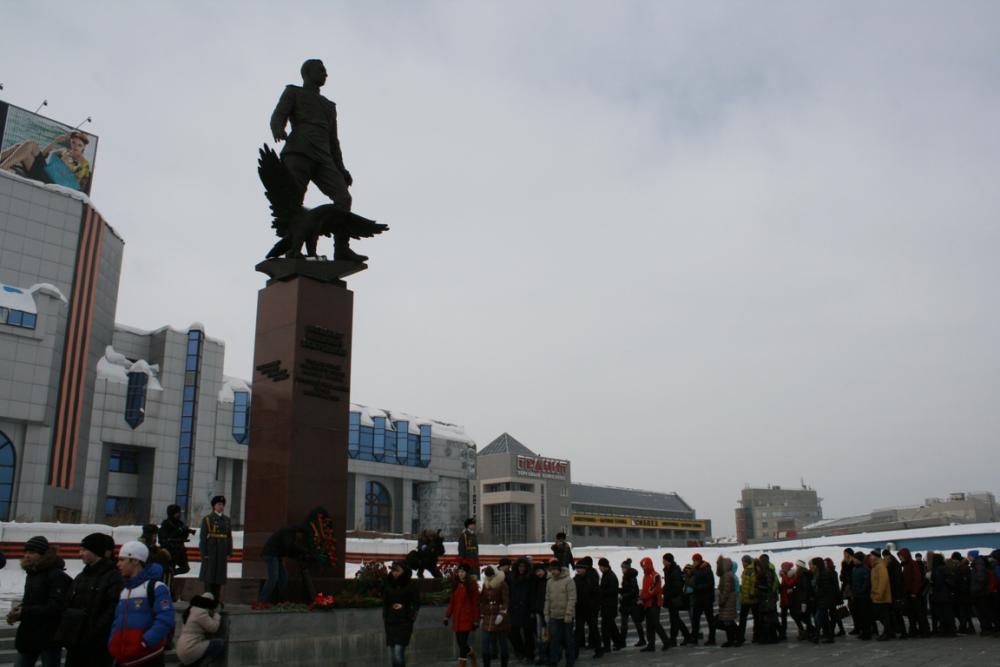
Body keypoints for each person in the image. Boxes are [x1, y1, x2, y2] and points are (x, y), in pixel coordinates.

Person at [269, 58, 366, 261]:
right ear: (307, 73)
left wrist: (341, 168)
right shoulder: (293, 92)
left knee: (344, 198)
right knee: (293, 201)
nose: (325, 74)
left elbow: (333, 140)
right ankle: (293, 248)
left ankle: (342, 248)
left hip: (324, 157)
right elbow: (279, 115)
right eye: (321, 70)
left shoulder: (329, 106)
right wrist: (278, 128)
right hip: (299, 150)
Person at [6, 536, 71, 667]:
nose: (27, 555)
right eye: (26, 552)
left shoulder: (56, 575)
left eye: (31, 552)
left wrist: (24, 611)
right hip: (29, 633)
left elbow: (56, 607)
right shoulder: (32, 573)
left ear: (43, 554)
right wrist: (18, 612)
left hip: (49, 635)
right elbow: (32, 600)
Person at [109, 541, 175, 667]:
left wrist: (145, 642)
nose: (118, 564)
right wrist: (113, 642)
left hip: (148, 657)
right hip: (125, 658)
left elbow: (166, 619)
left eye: (122, 560)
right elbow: (117, 621)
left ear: (135, 561)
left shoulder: (156, 587)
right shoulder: (124, 591)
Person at [63, 533, 122, 667]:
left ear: (96, 551)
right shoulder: (81, 577)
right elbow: (68, 603)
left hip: (98, 645)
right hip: (76, 641)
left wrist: (94, 629)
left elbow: (113, 607)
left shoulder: (113, 576)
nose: (80, 553)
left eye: (84, 550)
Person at [0, 131, 92, 191]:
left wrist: (66, 166)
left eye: (79, 145)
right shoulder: (64, 151)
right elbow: (43, 155)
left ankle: (2, 169)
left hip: (50, 181)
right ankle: (2, 167)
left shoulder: (84, 164)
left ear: (84, 147)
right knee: (25, 145)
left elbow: (77, 184)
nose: (75, 147)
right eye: (73, 142)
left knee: (27, 148)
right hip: (44, 170)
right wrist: (55, 141)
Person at [259, 524, 310, 603]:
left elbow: (287, 550)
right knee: (273, 578)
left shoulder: (290, 534)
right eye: (302, 536)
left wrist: (298, 556)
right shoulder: (288, 532)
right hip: (271, 555)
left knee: (283, 577)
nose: (301, 538)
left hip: (276, 556)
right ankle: (261, 601)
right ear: (299, 532)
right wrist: (303, 550)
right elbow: (288, 547)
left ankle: (283, 601)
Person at [383, 561, 420, 667]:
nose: (394, 573)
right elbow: (385, 602)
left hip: (404, 623)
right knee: (393, 655)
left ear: (404, 571)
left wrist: (406, 610)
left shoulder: (410, 585)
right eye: (393, 570)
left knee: (398, 653)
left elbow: (416, 603)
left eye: (397, 570)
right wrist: (386, 614)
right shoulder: (388, 584)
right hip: (391, 622)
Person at [445, 563, 481, 667]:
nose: (460, 574)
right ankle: (472, 654)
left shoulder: (472, 585)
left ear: (467, 573)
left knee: (462, 643)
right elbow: (452, 602)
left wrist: (476, 620)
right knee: (461, 643)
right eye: (459, 571)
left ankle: (462, 665)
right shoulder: (456, 584)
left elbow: (475, 603)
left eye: (463, 572)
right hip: (457, 618)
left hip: (467, 618)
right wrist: (447, 616)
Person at [176, 592, 224, 666]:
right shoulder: (201, 613)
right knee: (218, 644)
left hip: (182, 647)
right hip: (189, 648)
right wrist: (217, 613)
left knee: (204, 647)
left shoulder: (191, 610)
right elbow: (214, 628)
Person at [543, 559, 576, 667]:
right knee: (554, 640)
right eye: (551, 570)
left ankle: (570, 661)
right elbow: (547, 599)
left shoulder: (568, 581)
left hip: (566, 617)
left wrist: (568, 614)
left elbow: (572, 598)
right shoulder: (549, 582)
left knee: (568, 640)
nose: (552, 572)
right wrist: (546, 613)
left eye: (554, 569)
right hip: (554, 616)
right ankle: (554, 661)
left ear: (559, 569)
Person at [199, 496, 233, 598]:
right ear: (214, 506)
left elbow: (229, 537)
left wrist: (229, 551)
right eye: (219, 504)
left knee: (219, 576)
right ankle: (208, 598)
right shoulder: (208, 519)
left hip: (222, 550)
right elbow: (203, 538)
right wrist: (204, 553)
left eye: (222, 505)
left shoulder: (226, 520)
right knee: (209, 576)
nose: (221, 506)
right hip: (211, 550)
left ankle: (216, 599)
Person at [480, 566, 511, 667]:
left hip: (499, 617)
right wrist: (482, 614)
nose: (489, 578)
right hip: (488, 617)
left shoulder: (502, 584)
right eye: (487, 576)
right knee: (485, 642)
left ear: (495, 575)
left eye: (491, 576)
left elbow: (506, 601)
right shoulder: (485, 585)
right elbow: (483, 600)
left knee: (503, 643)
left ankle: (504, 664)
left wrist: (502, 614)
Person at [638, 556, 669, 652]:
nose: (643, 568)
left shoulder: (655, 576)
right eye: (642, 567)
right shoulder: (646, 576)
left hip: (654, 603)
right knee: (649, 625)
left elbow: (653, 591)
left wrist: (642, 597)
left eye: (644, 566)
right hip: (648, 604)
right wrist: (641, 596)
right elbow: (645, 589)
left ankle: (666, 642)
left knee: (656, 624)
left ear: (649, 565)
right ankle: (651, 645)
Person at [572, 558, 601, 658]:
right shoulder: (576, 579)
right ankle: (574, 653)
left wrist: (593, 605)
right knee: (578, 631)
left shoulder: (592, 578)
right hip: (580, 609)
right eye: (577, 568)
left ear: (585, 569)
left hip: (590, 609)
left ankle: (598, 650)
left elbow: (596, 594)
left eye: (580, 568)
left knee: (593, 629)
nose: (578, 570)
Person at [507, 558, 535, 661]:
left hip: (527, 609)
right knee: (513, 632)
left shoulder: (531, 578)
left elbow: (533, 594)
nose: (521, 568)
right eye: (520, 566)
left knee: (528, 634)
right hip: (514, 609)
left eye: (523, 566)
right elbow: (509, 593)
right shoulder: (512, 578)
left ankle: (529, 654)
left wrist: (532, 609)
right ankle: (520, 651)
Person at [660, 554, 691, 646]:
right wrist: (663, 590)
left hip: (674, 598)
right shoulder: (668, 569)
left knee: (674, 619)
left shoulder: (674, 570)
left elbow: (677, 586)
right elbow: (668, 583)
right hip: (671, 598)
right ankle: (687, 636)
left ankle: (673, 639)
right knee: (675, 618)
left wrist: (667, 592)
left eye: (664, 560)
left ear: (668, 561)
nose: (663, 562)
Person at [159, 504, 195, 580]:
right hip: (170, 551)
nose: (179, 515)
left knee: (185, 568)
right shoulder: (166, 524)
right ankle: (168, 576)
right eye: (177, 513)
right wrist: (178, 531)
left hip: (180, 550)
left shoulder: (180, 523)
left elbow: (183, 537)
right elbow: (165, 538)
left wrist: (186, 531)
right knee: (169, 569)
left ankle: (171, 573)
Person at [899, 548, 930, 638]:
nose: (900, 558)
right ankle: (915, 630)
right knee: (912, 614)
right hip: (910, 593)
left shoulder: (912, 564)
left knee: (919, 613)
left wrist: (914, 591)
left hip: (914, 594)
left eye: (901, 556)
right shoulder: (906, 565)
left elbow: (917, 579)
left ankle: (924, 631)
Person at [597, 558, 624, 652]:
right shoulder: (606, 575)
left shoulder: (611, 576)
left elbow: (612, 591)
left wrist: (601, 591)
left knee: (605, 628)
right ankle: (618, 642)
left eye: (600, 566)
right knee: (611, 627)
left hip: (609, 606)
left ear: (605, 566)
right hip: (606, 605)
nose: (600, 568)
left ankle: (607, 646)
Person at [689, 553, 716, 646]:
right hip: (698, 598)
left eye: (695, 561)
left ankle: (712, 639)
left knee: (710, 619)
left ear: (699, 560)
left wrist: (697, 587)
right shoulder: (695, 569)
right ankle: (694, 638)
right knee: (695, 619)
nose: (693, 562)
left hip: (706, 598)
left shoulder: (706, 569)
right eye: (693, 561)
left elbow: (710, 584)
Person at [618, 559, 646, 647]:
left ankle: (641, 640)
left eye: (623, 568)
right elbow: (627, 589)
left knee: (634, 622)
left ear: (627, 568)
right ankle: (623, 641)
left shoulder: (631, 577)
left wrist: (624, 596)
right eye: (622, 568)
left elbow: (634, 591)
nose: (622, 570)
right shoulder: (626, 576)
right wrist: (619, 590)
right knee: (625, 624)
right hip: (626, 604)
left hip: (631, 604)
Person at [812, 557, 838, 644]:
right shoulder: (820, 572)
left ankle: (817, 636)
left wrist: (818, 593)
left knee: (818, 618)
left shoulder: (824, 573)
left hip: (824, 599)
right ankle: (829, 636)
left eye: (814, 564)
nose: (813, 566)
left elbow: (825, 587)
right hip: (823, 599)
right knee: (824, 618)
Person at [930, 553, 956, 636]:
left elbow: (938, 582)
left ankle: (944, 630)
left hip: (940, 594)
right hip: (947, 593)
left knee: (941, 613)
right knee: (948, 613)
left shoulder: (937, 569)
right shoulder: (945, 568)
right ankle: (951, 630)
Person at [871, 551, 895, 640]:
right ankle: (889, 632)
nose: (870, 557)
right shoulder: (875, 566)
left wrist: (879, 594)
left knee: (883, 616)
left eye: (872, 556)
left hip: (881, 597)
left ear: (876, 557)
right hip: (877, 595)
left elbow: (883, 581)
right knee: (882, 615)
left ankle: (888, 633)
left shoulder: (880, 566)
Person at [529, 561, 549, 664]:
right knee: (540, 635)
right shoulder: (535, 582)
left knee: (547, 634)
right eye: (536, 571)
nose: (538, 573)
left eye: (540, 571)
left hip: (548, 612)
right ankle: (542, 655)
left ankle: (547, 655)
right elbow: (533, 597)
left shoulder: (548, 581)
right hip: (538, 612)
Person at [790, 560, 815, 640]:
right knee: (804, 616)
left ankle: (810, 631)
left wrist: (803, 601)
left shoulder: (803, 575)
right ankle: (809, 631)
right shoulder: (802, 575)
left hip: (803, 600)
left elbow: (805, 589)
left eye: (797, 566)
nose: (796, 568)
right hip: (803, 599)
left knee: (799, 615)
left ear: (800, 567)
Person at [850, 551, 873, 640]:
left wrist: (861, 590)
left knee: (865, 615)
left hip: (864, 596)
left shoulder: (865, 569)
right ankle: (862, 631)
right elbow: (854, 582)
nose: (853, 560)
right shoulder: (854, 569)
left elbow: (867, 582)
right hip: (856, 595)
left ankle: (867, 632)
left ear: (859, 560)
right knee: (859, 614)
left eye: (855, 559)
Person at [716, 557, 738, 647]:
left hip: (728, 602)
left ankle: (731, 640)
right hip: (729, 601)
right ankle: (736, 638)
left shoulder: (726, 575)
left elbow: (726, 590)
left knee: (727, 621)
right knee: (729, 621)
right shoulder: (728, 574)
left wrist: (721, 600)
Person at [736, 555, 757, 645]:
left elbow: (753, 582)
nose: (742, 563)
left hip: (750, 598)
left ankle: (742, 637)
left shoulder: (750, 570)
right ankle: (743, 636)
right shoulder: (747, 570)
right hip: (746, 598)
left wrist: (751, 593)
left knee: (744, 618)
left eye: (743, 561)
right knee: (745, 618)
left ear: (747, 562)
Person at [778, 562, 798, 641]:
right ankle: (783, 633)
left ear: (787, 568)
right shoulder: (786, 575)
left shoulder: (792, 575)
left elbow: (789, 584)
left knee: (794, 615)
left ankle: (803, 629)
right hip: (784, 599)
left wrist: (783, 575)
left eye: (783, 567)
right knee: (783, 617)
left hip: (790, 599)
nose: (782, 569)